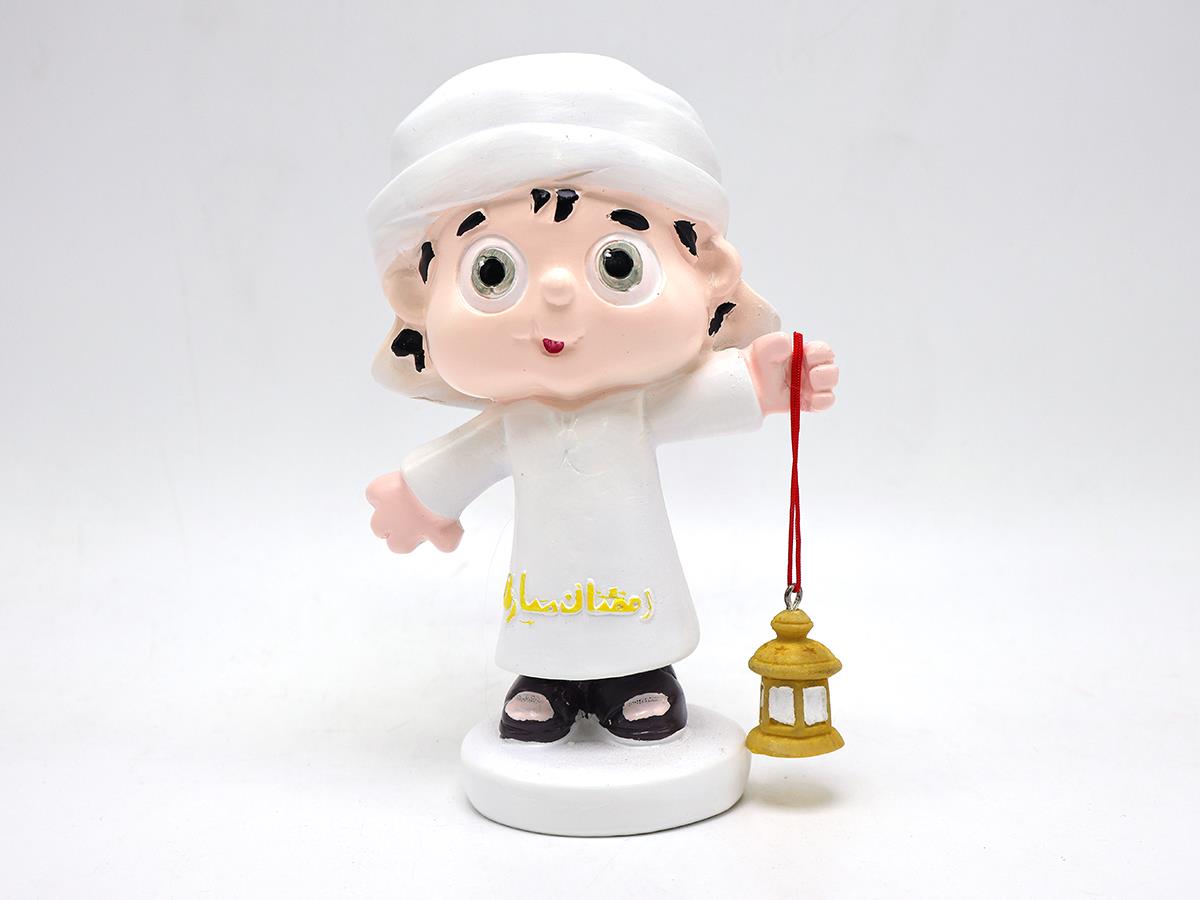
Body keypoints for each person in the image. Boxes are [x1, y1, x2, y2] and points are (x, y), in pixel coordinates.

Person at [364, 54, 838, 742]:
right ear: (419, 292)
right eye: (493, 271)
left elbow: (711, 394)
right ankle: (546, 678)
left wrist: (765, 382)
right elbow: (463, 460)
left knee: (634, 623)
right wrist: (417, 496)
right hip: (545, 593)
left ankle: (640, 675)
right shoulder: (515, 423)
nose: (557, 295)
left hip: (632, 584)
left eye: (617, 263)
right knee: (544, 625)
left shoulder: (636, 407)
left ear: (708, 271)